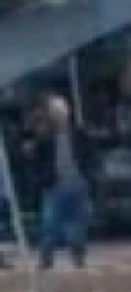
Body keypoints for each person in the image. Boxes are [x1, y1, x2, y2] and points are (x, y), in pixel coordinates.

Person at [30, 96, 95, 271]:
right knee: (50, 224)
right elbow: (37, 161)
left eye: (61, 112)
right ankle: (46, 259)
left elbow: (89, 155)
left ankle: (78, 257)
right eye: (55, 112)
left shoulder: (79, 133)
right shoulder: (44, 137)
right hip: (54, 185)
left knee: (77, 225)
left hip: (76, 183)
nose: (58, 115)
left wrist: (87, 175)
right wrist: (42, 179)